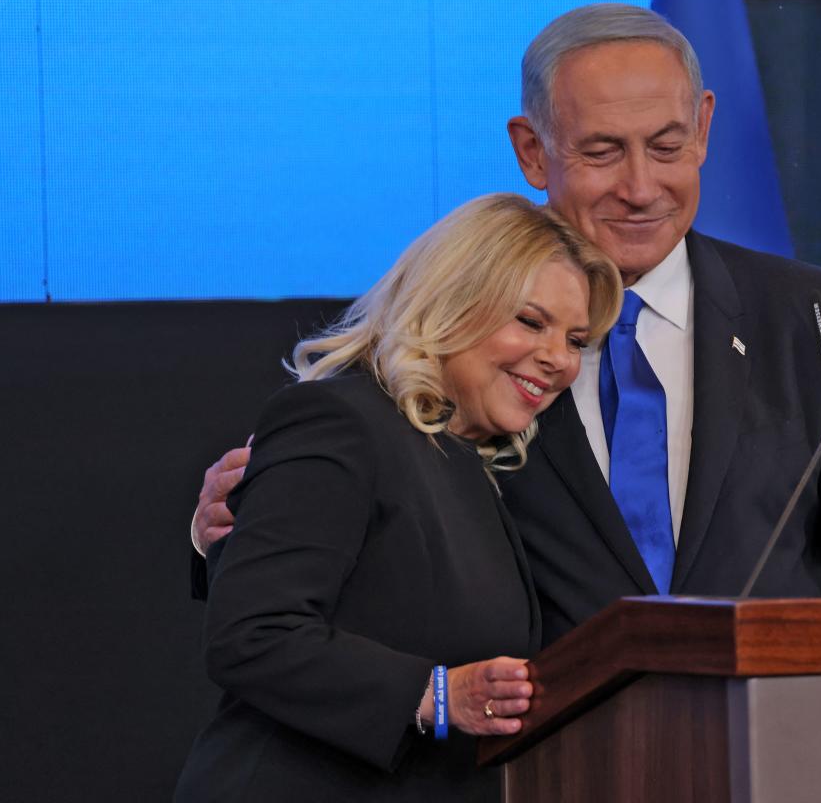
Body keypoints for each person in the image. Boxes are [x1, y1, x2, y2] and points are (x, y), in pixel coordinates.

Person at [191, 5, 821, 650]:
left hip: (777, 749)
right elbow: (324, 570)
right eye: (601, 152)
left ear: (705, 128)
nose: (640, 187)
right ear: (532, 150)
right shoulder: (454, 330)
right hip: (534, 765)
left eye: (666, 145)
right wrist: (220, 535)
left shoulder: (807, 314)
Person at [175, 193, 622, 801]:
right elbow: (251, 634)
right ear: (454, 301)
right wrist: (436, 694)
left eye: (576, 340)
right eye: (530, 321)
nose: (558, 360)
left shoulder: (474, 460)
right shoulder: (340, 419)